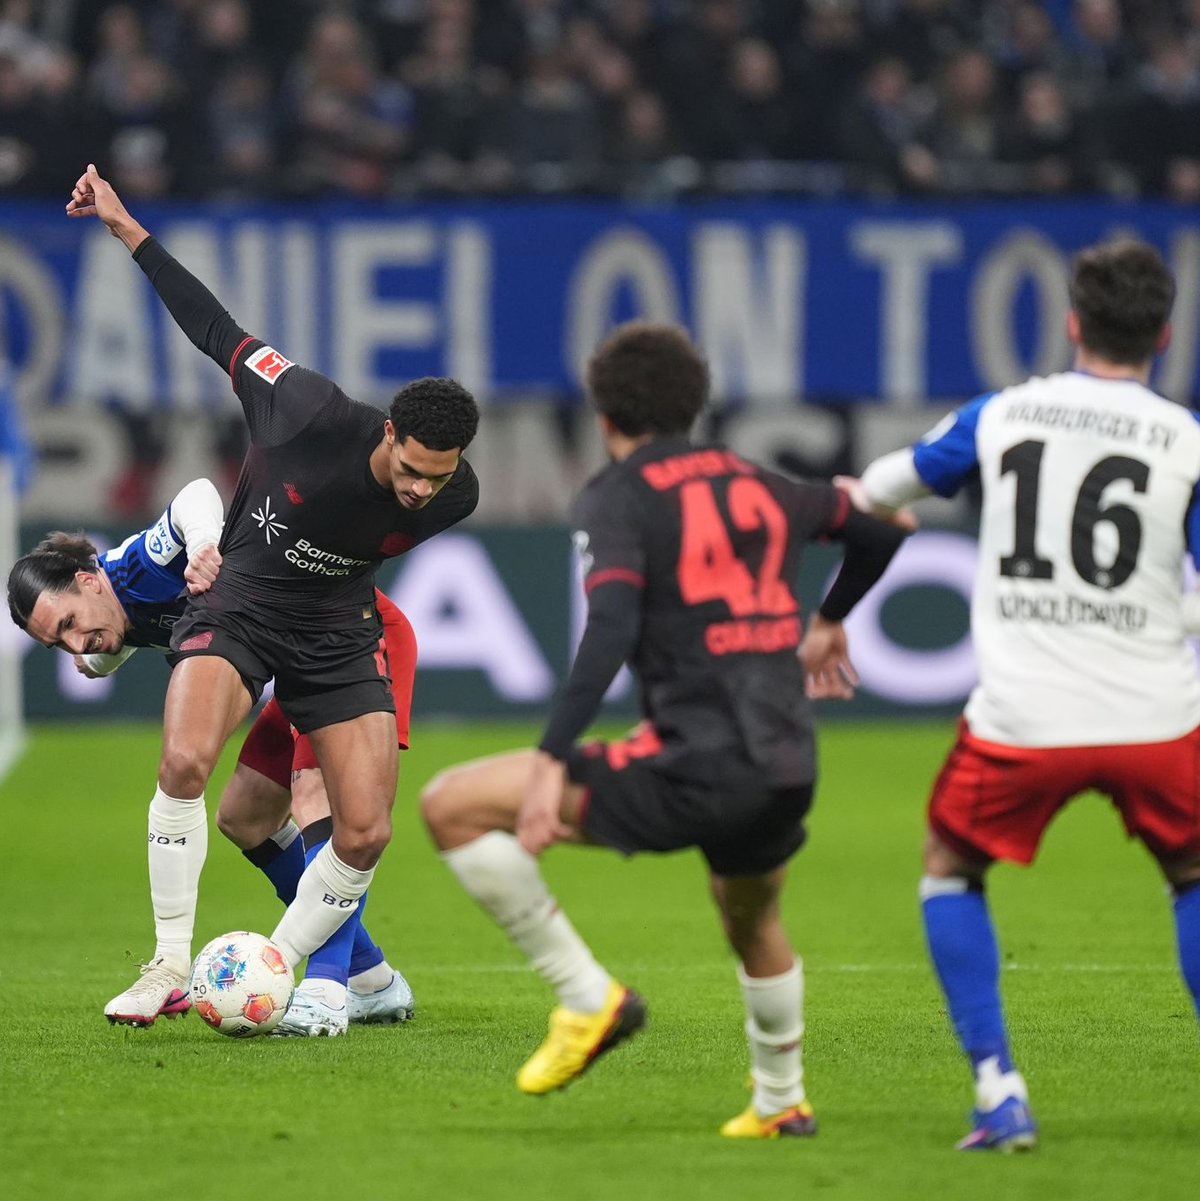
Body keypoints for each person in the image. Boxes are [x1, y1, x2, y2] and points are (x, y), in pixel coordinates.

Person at [420, 321, 907, 1137]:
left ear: (605, 415)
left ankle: (586, 998)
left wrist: (551, 757)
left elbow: (610, 627)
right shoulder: (765, 482)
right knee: (751, 917)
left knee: (452, 804)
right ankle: (781, 1102)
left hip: (697, 761)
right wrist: (830, 619)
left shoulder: (617, 495)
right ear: (695, 405)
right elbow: (883, 530)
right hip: (787, 759)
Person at [63, 164, 479, 1020]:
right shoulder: (303, 407)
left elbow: (364, 548)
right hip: (241, 607)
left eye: (435, 480)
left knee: (365, 830)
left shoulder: (455, 496)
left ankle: (280, 969)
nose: (418, 491)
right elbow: (214, 326)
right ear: (389, 432)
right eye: (409, 469)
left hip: (336, 631)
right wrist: (127, 229)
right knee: (186, 763)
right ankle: (168, 965)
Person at [845, 237, 1200, 1152]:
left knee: (949, 865)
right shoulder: (1187, 440)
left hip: (1024, 718)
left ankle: (999, 1090)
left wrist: (859, 518)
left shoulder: (1003, 413)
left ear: (1072, 322)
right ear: (1164, 335)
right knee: (1193, 874)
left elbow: (881, 487)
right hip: (1158, 715)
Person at [5, 482, 415, 1032]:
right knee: (245, 818)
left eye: (69, 625)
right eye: (59, 644)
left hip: (353, 644)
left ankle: (326, 987)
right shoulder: (110, 617)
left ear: (87, 579)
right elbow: (114, 638)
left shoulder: (139, 566)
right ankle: (371, 978)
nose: (76, 646)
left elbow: (196, 493)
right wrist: (98, 655)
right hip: (294, 659)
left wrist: (201, 541)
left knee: (314, 790)